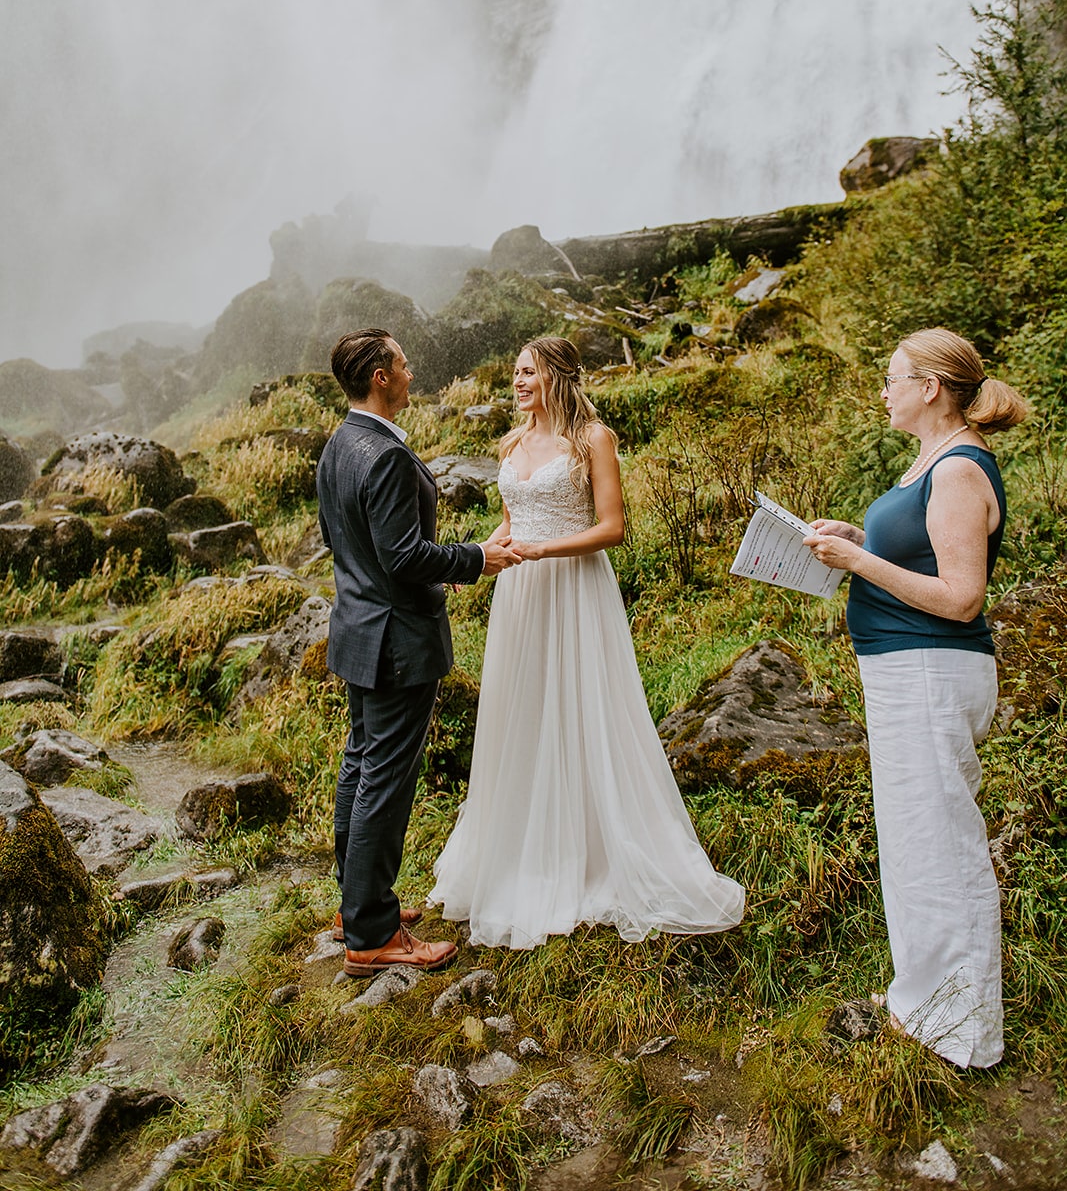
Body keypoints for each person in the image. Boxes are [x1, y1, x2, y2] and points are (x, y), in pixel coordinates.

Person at [429, 336, 745, 949]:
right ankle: (523, 854)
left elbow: (612, 526)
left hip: (574, 588)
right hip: (519, 595)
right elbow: (514, 518)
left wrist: (546, 548)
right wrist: (481, 556)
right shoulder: (512, 442)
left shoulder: (593, 439)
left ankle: (593, 850)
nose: (518, 382)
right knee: (522, 714)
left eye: (529, 372)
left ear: (559, 376)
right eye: (515, 372)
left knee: (581, 708)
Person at [805, 328, 1029, 1067]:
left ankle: (966, 1031)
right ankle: (920, 998)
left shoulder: (960, 469)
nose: (883, 390)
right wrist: (853, 534)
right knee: (912, 846)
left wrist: (858, 557)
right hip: (903, 671)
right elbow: (918, 552)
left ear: (930, 387)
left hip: (933, 670)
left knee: (942, 847)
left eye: (892, 378)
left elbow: (961, 597)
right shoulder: (928, 461)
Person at [317, 328, 520, 978]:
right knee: (384, 780)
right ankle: (372, 934)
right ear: (379, 376)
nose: (411, 371)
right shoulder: (385, 456)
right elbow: (403, 556)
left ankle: (360, 907)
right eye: (402, 364)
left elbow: (348, 542)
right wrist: (475, 558)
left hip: (356, 628)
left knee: (360, 765)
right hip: (396, 640)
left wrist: (435, 570)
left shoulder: (337, 445)